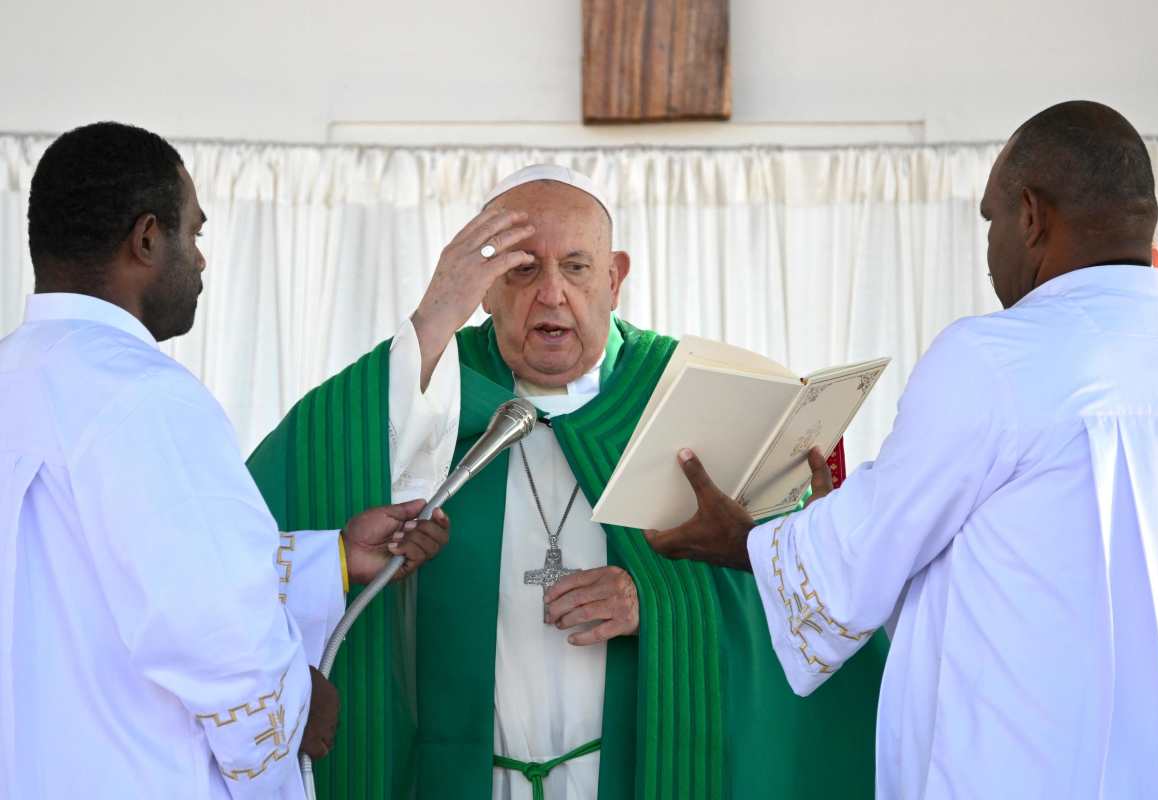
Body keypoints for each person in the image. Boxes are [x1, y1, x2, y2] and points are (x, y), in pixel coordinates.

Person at [247, 164, 888, 799]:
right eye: (521, 269)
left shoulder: (696, 397)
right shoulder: (418, 394)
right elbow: (296, 491)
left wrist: (656, 604)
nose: (551, 294)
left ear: (614, 278)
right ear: (485, 287)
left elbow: (800, 589)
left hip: (632, 774)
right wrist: (434, 315)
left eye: (576, 267)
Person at [646, 101, 1158, 797]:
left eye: (991, 218)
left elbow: (862, 556)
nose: (992, 242)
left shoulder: (995, 357)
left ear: (1031, 217)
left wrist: (743, 540)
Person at [0, 122, 449, 799]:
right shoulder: (144, 394)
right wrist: (300, 705)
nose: (202, 261)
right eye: (195, 234)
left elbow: (78, 578)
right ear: (147, 238)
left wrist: (329, 560)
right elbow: (214, 632)